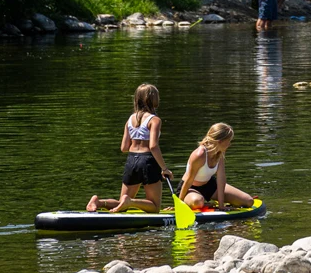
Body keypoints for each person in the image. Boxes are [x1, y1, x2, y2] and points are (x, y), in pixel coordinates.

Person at [87, 83, 174, 213]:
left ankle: (98, 202)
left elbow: (124, 147)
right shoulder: (154, 120)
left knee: (121, 204)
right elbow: (153, 146)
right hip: (148, 161)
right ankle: (130, 201)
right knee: (155, 207)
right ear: (153, 99)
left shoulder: (130, 120)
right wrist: (164, 168)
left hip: (131, 160)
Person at [178, 122, 255, 210]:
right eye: (228, 141)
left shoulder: (220, 151)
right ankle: (203, 202)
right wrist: (179, 204)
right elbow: (189, 180)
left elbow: (221, 179)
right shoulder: (200, 154)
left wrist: (221, 206)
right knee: (197, 202)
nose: (230, 144)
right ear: (220, 141)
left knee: (248, 201)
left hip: (209, 185)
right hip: (190, 188)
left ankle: (207, 202)